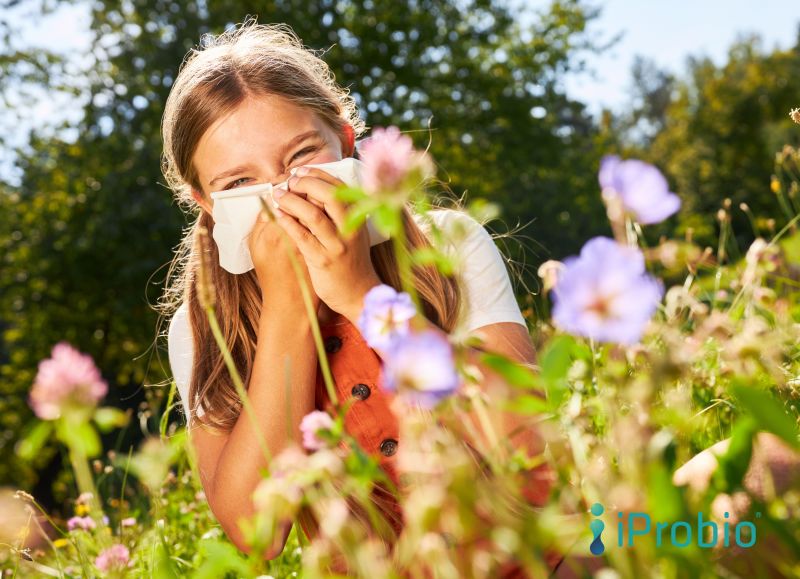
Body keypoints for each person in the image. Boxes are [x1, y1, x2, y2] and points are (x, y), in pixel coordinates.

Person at [160, 19, 553, 573]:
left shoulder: (447, 244)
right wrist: (288, 313)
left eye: (300, 156)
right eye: (238, 184)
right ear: (206, 204)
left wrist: (362, 294)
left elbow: (528, 436)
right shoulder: (201, 329)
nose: (280, 194)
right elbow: (256, 535)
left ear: (346, 143)